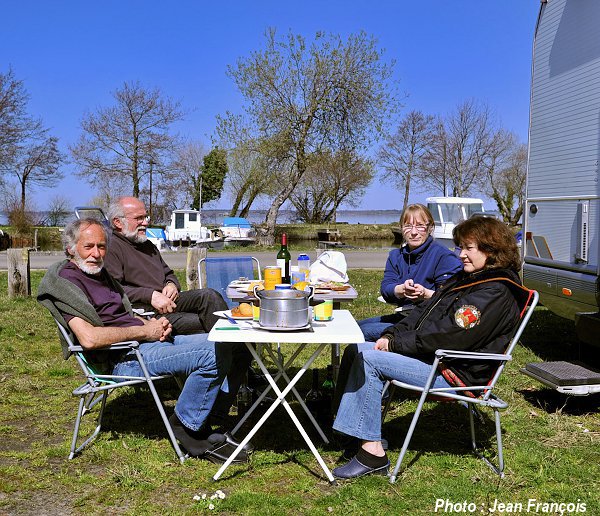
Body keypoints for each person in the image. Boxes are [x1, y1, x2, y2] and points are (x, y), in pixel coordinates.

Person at [331, 216, 530, 479]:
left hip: (454, 372)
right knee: (356, 348)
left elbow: (449, 337)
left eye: (469, 248)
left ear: (491, 250)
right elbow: (421, 313)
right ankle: (349, 433)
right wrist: (392, 333)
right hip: (434, 358)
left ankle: (372, 455)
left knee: (369, 359)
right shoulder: (467, 279)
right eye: (460, 248)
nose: (461, 255)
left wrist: (395, 345)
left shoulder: (495, 292)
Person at [37, 218, 248, 463]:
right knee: (211, 353)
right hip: (123, 357)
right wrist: (144, 332)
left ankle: (212, 416)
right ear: (71, 249)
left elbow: (122, 314)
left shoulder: (100, 274)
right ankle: (187, 426)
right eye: (89, 247)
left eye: (102, 246)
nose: (96, 253)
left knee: (231, 342)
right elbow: (90, 338)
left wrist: (151, 325)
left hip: (144, 342)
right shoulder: (66, 283)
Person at [104, 196, 253, 429]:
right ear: (118, 222)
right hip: (146, 315)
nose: (146, 222)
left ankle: (230, 375)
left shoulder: (148, 245)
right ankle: (227, 390)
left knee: (210, 296)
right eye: (139, 218)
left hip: (170, 301)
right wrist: (150, 295)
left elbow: (169, 273)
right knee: (219, 332)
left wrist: (172, 284)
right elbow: (112, 290)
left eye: (146, 217)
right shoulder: (112, 248)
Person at [333, 204, 462, 413]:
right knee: (355, 328)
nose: (413, 231)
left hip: (426, 323)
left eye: (420, 226)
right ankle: (346, 400)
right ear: (401, 228)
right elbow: (386, 288)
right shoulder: (396, 256)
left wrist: (426, 294)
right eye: (408, 225)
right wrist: (400, 290)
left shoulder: (443, 256)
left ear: (430, 228)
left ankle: (374, 393)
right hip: (404, 317)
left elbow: (451, 298)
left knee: (363, 333)